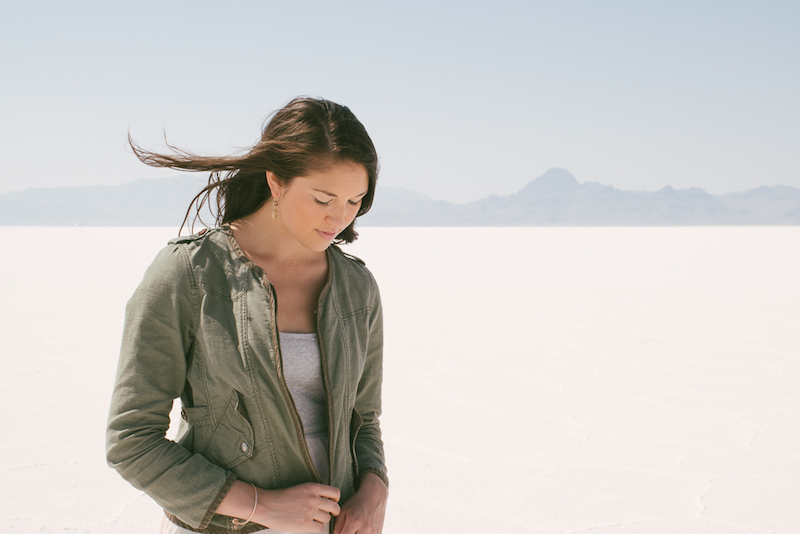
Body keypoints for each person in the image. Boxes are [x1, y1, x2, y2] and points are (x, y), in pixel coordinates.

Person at [106, 97, 388, 534]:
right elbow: (132, 442)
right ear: (276, 182)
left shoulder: (356, 287)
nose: (340, 217)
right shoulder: (190, 274)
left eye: (355, 200)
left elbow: (364, 419)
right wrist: (261, 506)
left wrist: (373, 491)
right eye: (322, 198)